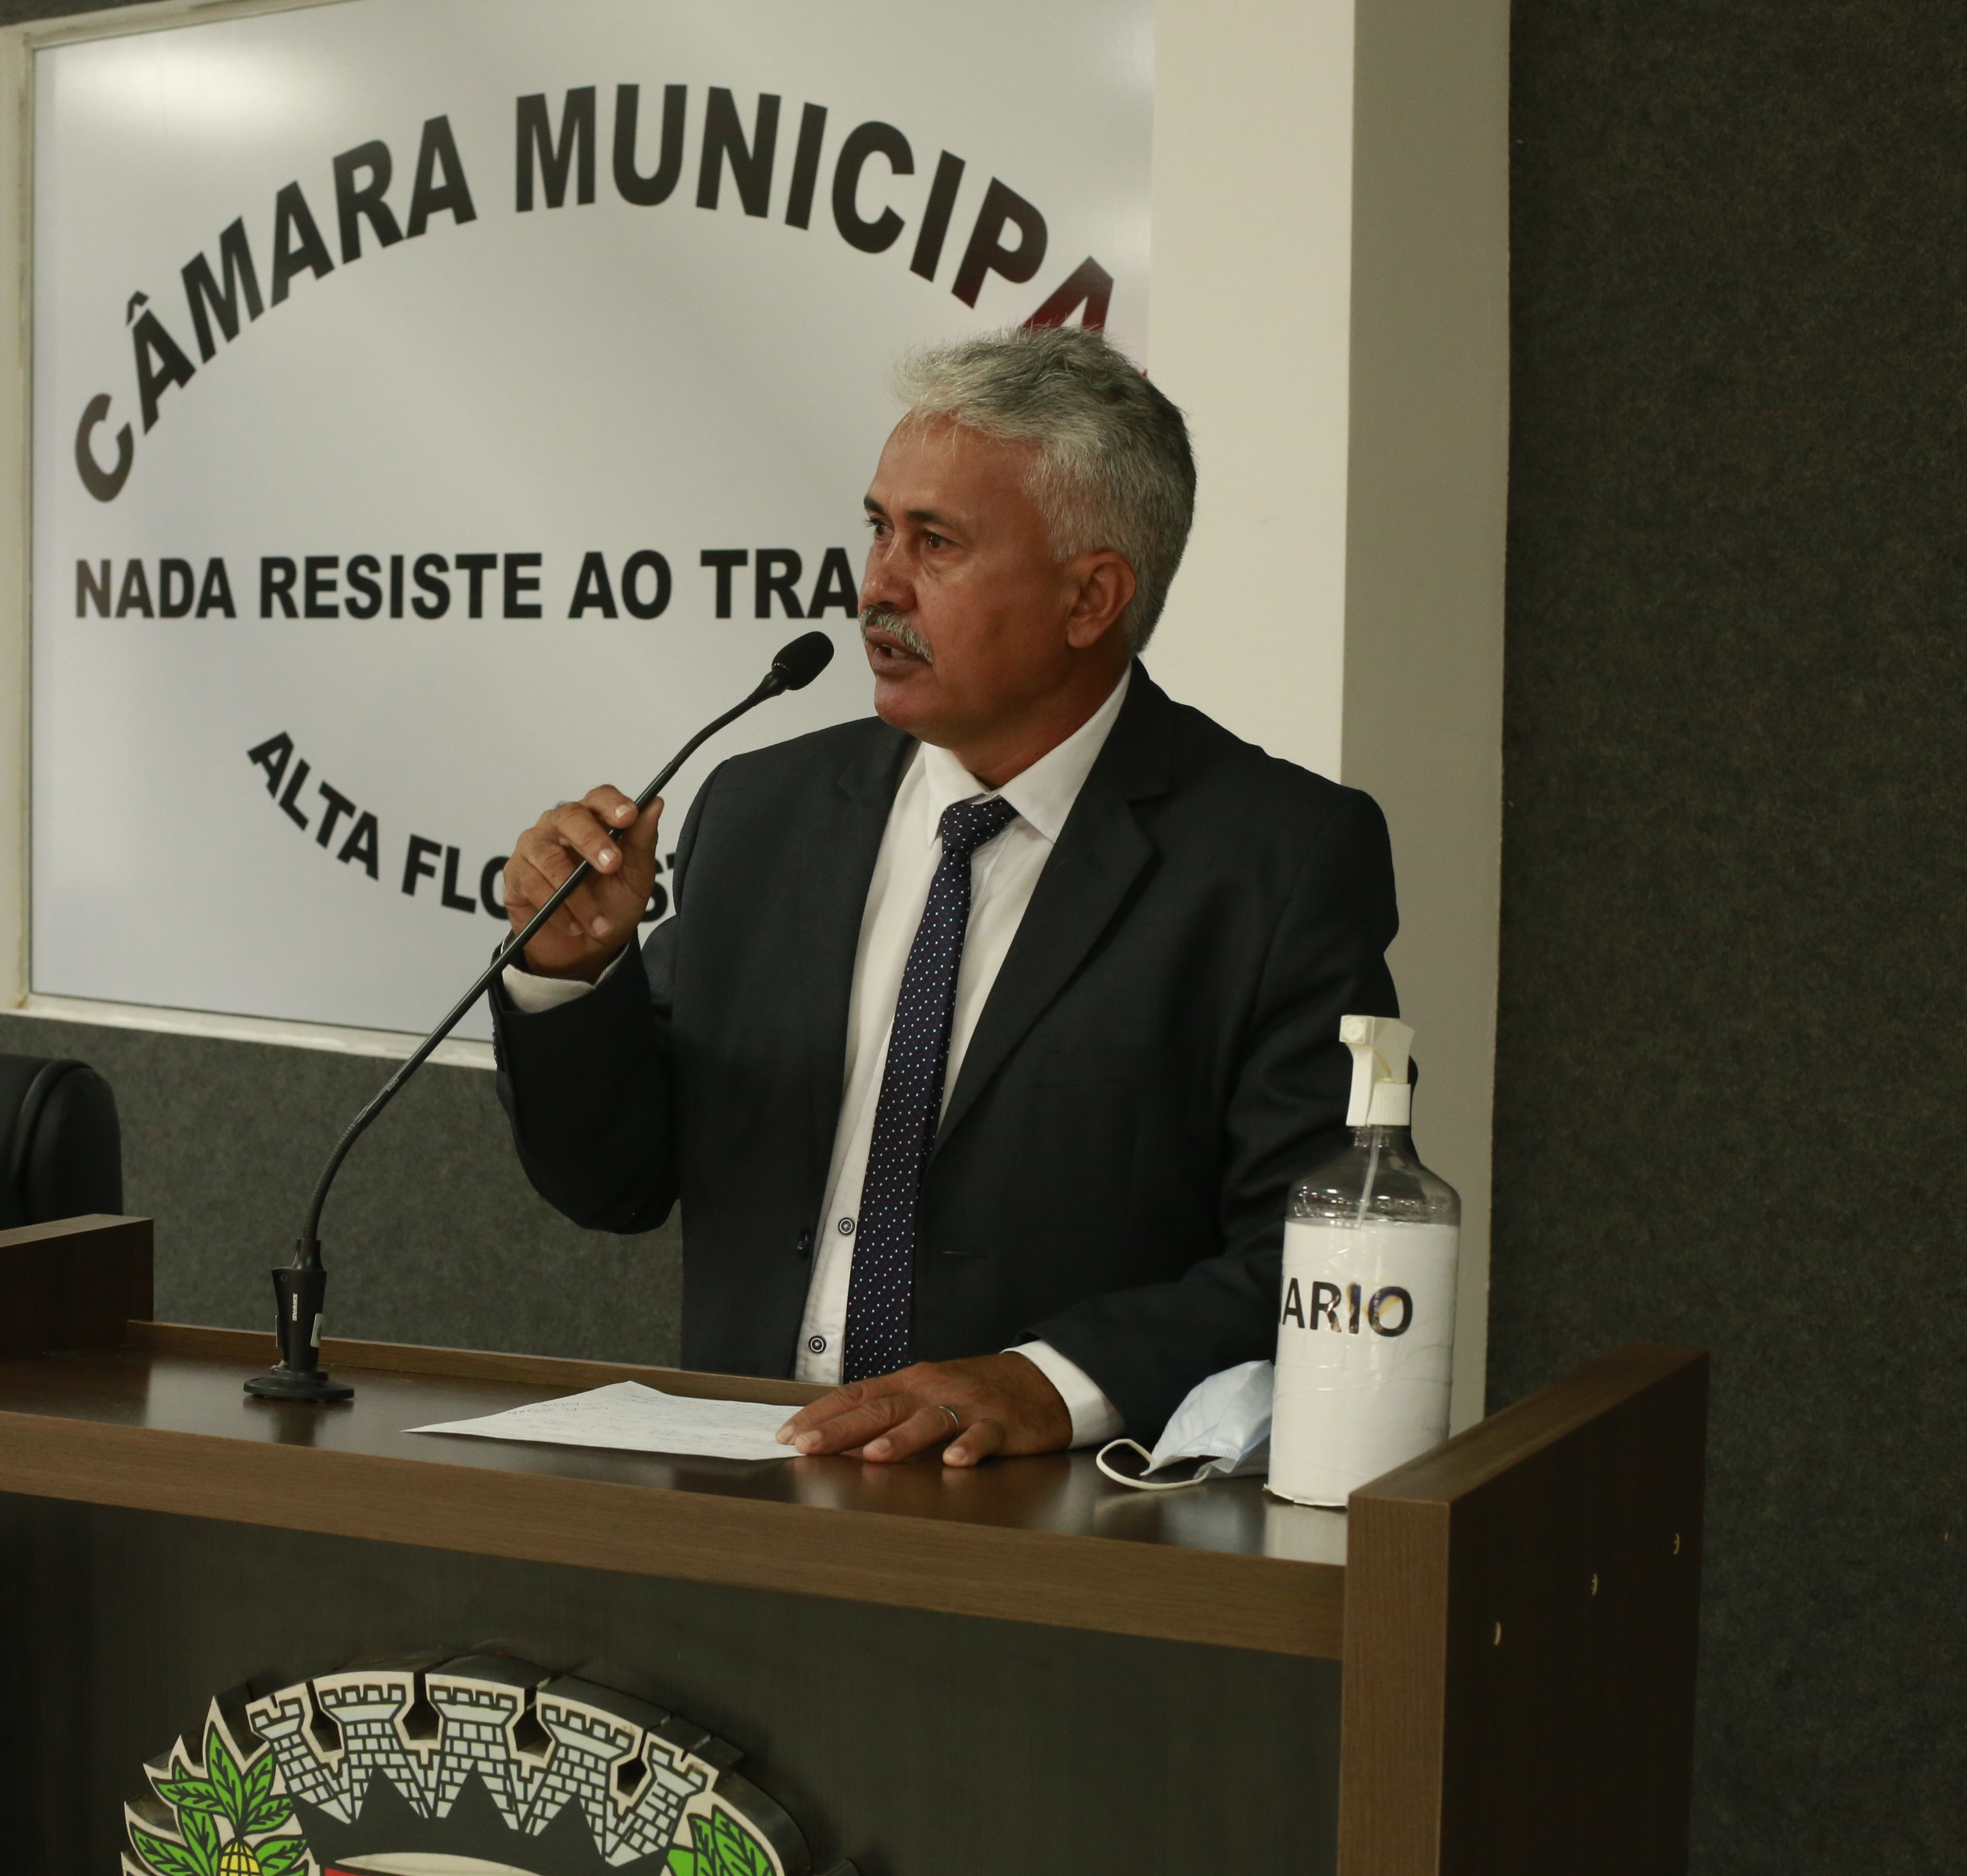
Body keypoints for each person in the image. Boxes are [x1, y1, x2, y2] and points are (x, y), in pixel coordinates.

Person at [492, 324, 1399, 1468]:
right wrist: (571, 978)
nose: (877, 584)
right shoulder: (764, 813)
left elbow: (1318, 1254)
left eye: (936, 542)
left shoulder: (1272, 861)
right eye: (877, 526)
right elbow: (615, 1180)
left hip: (1054, 1540)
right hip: (748, 1496)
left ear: (1090, 598)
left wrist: (1053, 1383)